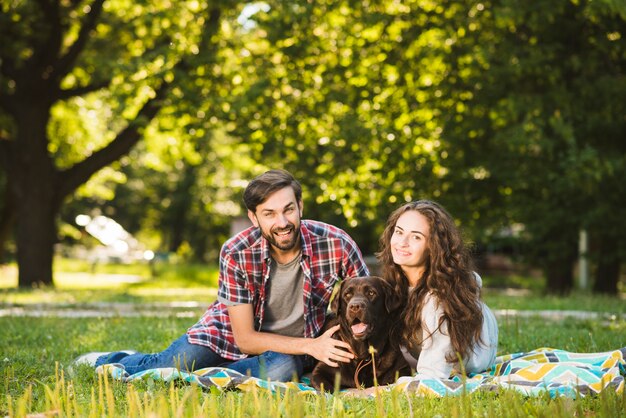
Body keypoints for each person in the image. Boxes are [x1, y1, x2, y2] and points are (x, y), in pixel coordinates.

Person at [74, 169, 370, 381]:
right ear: (254, 218)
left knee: (283, 369)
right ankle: (113, 359)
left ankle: (195, 379)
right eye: (269, 214)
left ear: (300, 206)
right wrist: (310, 346)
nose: (282, 222)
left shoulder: (336, 242)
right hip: (226, 334)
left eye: (288, 210)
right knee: (174, 362)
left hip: (292, 348)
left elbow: (370, 297)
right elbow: (245, 339)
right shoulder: (236, 251)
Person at [377, 200, 498, 380]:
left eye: (416, 237)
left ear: (434, 247)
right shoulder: (395, 285)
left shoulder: (438, 299)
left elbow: (431, 379)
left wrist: (368, 393)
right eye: (399, 231)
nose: (402, 242)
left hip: (468, 363)